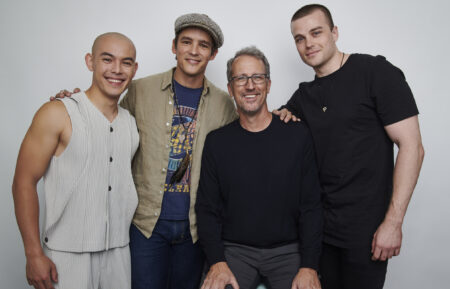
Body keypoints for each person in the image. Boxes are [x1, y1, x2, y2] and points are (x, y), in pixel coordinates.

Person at [53, 13, 237, 289]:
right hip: (145, 225)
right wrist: (76, 103)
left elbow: (243, 142)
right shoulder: (140, 89)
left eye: (203, 45)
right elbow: (108, 125)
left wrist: (282, 115)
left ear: (213, 54)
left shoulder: (224, 103)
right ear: (174, 47)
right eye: (187, 42)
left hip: (194, 228)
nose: (194, 51)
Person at [274, 4, 425, 289]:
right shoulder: (303, 96)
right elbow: (273, 133)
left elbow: (413, 148)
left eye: (316, 32)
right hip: (319, 233)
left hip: (366, 233)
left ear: (334, 32)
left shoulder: (375, 72)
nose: (308, 43)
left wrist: (393, 223)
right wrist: (279, 113)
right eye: (299, 38)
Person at [12, 32, 139, 289]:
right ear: (90, 61)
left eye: (126, 62)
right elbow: (23, 182)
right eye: (107, 59)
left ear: (134, 69)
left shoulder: (132, 122)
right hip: (65, 257)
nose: (116, 69)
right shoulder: (57, 113)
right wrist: (33, 253)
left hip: (119, 255)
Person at [196, 46, 323, 289]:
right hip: (235, 251)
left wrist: (309, 266)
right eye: (241, 78)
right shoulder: (217, 142)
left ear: (269, 84)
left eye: (257, 77)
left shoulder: (297, 135)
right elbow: (207, 209)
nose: (250, 85)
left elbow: (311, 207)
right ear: (230, 88)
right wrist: (217, 261)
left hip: (288, 251)